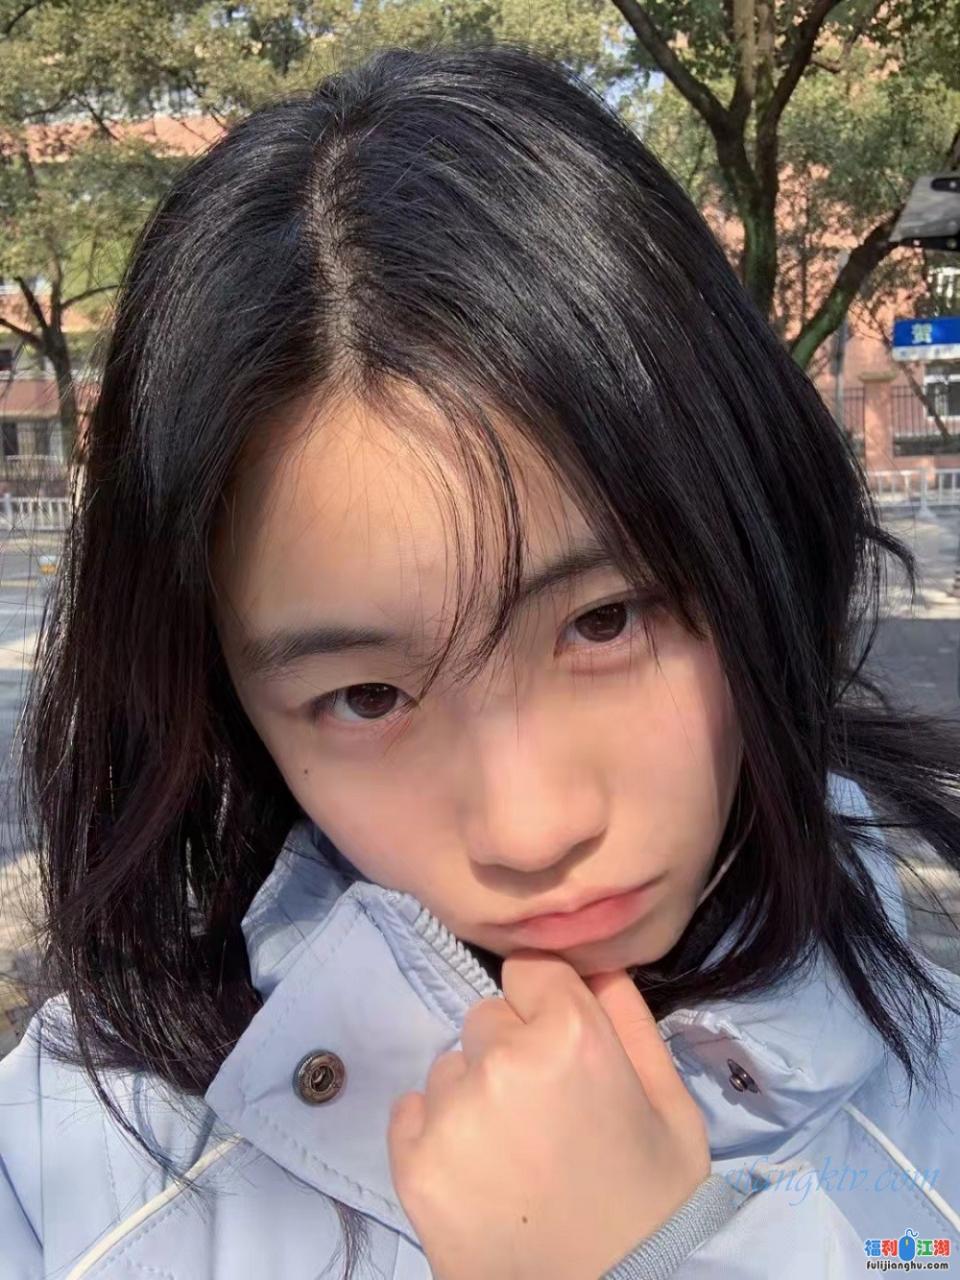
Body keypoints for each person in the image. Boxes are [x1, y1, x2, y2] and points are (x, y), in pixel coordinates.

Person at [2, 40, 960, 1280]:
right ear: (227, 703)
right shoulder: (78, 1168)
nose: (530, 827)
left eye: (605, 620)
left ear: (759, 542)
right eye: (365, 695)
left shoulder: (934, 1113)